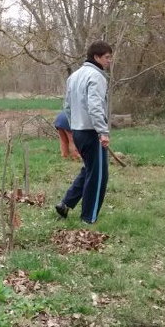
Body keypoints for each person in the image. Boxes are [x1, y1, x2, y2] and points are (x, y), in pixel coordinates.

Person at [55, 40, 113, 224]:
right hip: (91, 132)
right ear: (96, 57)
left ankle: (66, 203)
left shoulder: (74, 76)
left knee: (89, 169)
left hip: (79, 131)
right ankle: (89, 218)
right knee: (98, 177)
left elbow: (67, 106)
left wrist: (74, 126)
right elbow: (95, 106)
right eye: (107, 57)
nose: (109, 61)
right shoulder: (97, 76)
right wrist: (103, 132)